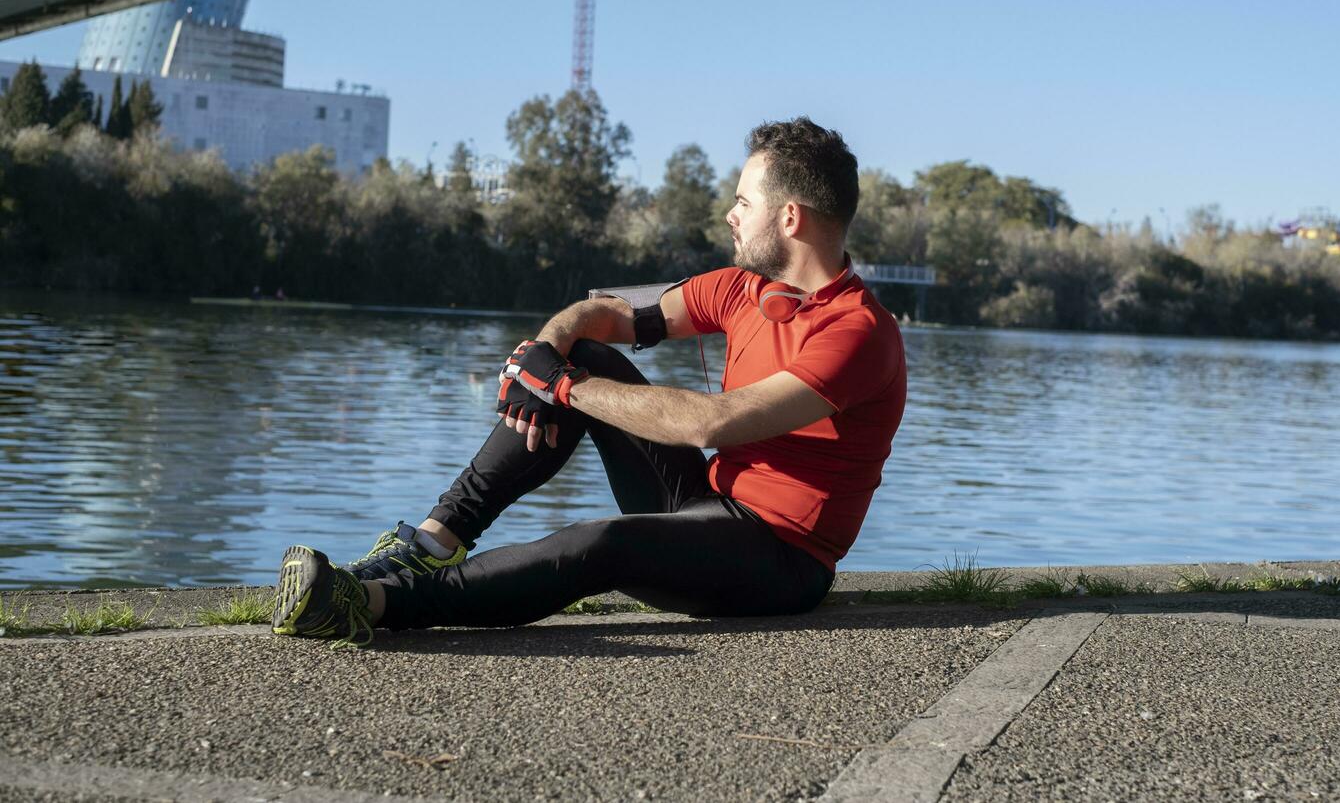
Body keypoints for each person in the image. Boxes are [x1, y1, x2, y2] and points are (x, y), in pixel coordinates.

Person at [270, 117, 908, 648]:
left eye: (744, 201)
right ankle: (430, 544)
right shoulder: (744, 288)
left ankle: (373, 603)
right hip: (704, 504)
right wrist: (546, 354)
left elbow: (711, 423)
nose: (729, 214)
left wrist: (562, 386)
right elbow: (602, 310)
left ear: (790, 218)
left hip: (780, 561)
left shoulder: (857, 333)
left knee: (604, 540)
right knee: (589, 355)